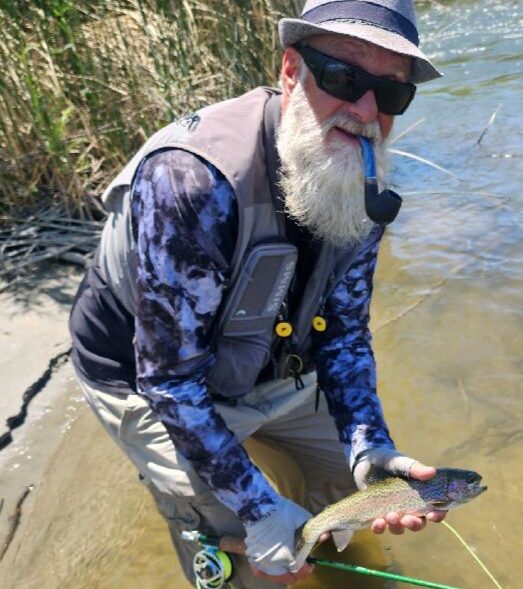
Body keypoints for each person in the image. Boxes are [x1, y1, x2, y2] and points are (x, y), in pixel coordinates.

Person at [69, 1, 446, 586]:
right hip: (153, 382)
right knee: (264, 567)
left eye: (391, 93)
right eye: (343, 77)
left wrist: (370, 446)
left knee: (351, 502)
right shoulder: (190, 181)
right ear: (292, 71)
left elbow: (344, 334)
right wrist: (258, 510)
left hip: (272, 359)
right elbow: (170, 382)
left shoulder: (369, 188)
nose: (367, 110)